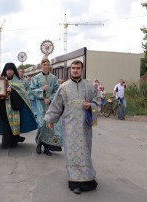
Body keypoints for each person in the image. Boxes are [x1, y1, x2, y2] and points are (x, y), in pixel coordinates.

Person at [44, 60, 101, 194]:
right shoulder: (63, 87)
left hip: (85, 127)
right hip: (69, 128)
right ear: (71, 70)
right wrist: (51, 119)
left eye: (78, 68)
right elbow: (56, 105)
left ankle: (87, 180)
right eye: (73, 68)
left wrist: (91, 106)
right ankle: (74, 182)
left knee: (85, 153)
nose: (75, 70)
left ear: (82, 69)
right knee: (72, 154)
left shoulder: (89, 86)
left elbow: (98, 100)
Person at [0, 63, 37, 149]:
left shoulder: (18, 82)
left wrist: (12, 90)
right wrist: (0, 96)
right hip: (4, 107)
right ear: (5, 71)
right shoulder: (0, 81)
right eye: (8, 70)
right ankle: (6, 143)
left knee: (14, 124)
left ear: (13, 71)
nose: (9, 72)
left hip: (14, 107)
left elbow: (23, 93)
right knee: (6, 125)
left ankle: (14, 141)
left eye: (11, 70)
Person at [30, 55, 61, 156]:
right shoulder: (36, 78)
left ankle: (47, 146)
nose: (46, 66)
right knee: (41, 125)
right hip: (40, 106)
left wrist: (51, 99)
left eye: (48, 64)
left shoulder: (54, 78)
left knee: (49, 126)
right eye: (44, 64)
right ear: (41, 66)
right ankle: (39, 144)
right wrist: (42, 91)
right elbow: (32, 90)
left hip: (50, 106)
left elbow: (57, 90)